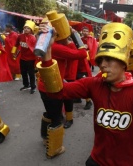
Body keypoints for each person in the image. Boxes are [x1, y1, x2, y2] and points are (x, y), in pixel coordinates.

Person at [37, 22, 133, 165]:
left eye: (109, 59)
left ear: (123, 63)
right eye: (101, 60)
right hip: (97, 159)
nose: (102, 65)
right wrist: (47, 54)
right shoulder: (94, 84)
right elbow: (56, 93)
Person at [37, 10, 88, 158]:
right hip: (52, 88)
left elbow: (72, 52)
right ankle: (54, 149)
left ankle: (45, 137)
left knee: (49, 112)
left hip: (43, 85)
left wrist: (67, 39)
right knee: (57, 118)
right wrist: (74, 35)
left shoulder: (52, 45)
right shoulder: (57, 47)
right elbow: (81, 54)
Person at [12, 20, 37, 94]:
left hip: (31, 59)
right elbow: (16, 44)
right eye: (25, 28)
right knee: (23, 73)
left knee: (31, 74)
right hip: (22, 58)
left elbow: (36, 48)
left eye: (28, 28)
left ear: (31, 30)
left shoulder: (33, 38)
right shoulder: (20, 36)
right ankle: (26, 85)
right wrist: (13, 52)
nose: (26, 29)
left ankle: (33, 87)